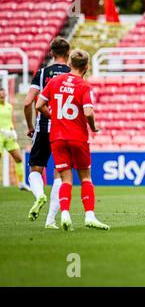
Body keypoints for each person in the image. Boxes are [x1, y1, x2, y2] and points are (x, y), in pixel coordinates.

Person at [35, 49, 109, 231]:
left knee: (65, 179)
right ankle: (89, 216)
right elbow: (88, 112)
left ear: (69, 64)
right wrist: (93, 127)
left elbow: (38, 104)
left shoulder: (54, 81)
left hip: (57, 137)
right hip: (77, 137)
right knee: (85, 178)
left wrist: (53, 117)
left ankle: (65, 214)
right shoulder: (83, 86)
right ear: (87, 67)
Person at [24, 36, 71, 228]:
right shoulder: (73, 72)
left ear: (51, 53)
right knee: (60, 174)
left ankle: (39, 194)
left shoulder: (42, 73)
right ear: (68, 54)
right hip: (65, 130)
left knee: (35, 169)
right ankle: (50, 220)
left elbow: (28, 102)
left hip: (43, 127)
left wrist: (30, 126)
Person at [0, 87, 31, 191]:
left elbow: (10, 120)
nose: (2, 96)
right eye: (0, 94)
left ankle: (22, 183)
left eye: (3, 94)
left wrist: (13, 130)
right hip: (0, 135)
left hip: (9, 135)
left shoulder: (9, 106)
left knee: (18, 158)